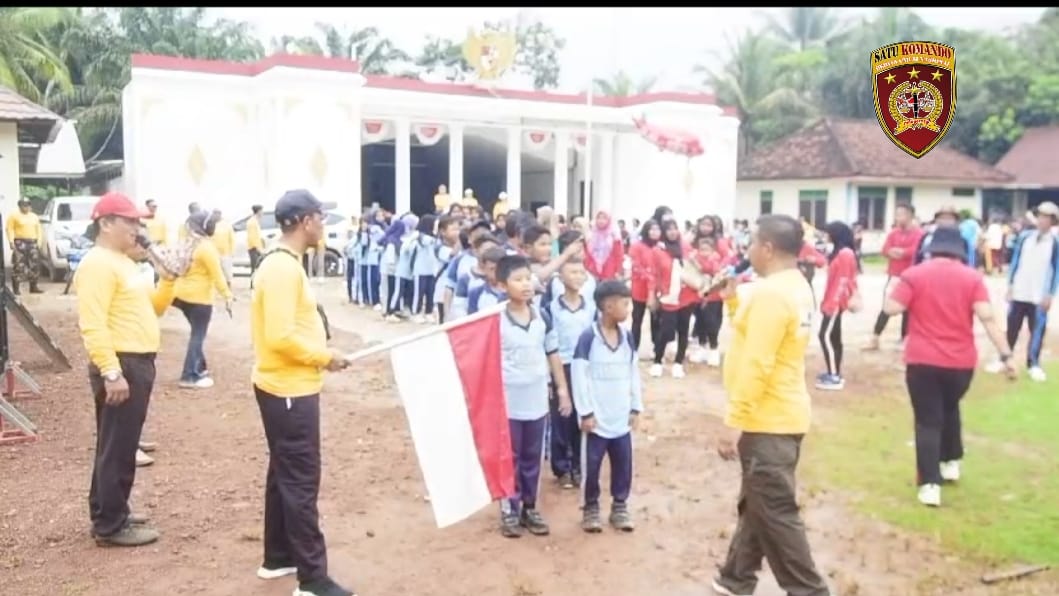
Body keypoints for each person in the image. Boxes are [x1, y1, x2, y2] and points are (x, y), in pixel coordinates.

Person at [714, 214, 829, 596]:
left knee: (775, 512)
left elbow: (758, 362)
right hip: (783, 414)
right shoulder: (794, 286)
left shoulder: (771, 294)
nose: (746, 252)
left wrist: (736, 419)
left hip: (768, 419)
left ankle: (809, 591)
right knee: (757, 503)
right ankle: (735, 578)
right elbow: (756, 337)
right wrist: (731, 303)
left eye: (750, 245)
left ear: (766, 248)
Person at [250, 189, 355, 596]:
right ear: (305, 220)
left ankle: (278, 557)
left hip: (286, 386)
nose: (324, 225)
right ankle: (312, 580)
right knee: (300, 481)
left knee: (283, 473)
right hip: (288, 389)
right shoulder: (281, 269)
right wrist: (323, 356)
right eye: (320, 217)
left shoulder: (286, 265)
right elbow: (279, 335)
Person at [882, 226, 1016, 507]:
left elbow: (891, 308)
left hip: (923, 360)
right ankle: (951, 461)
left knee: (928, 420)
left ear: (931, 248)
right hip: (960, 363)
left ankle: (930, 483)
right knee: (949, 407)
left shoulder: (915, 274)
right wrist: (1006, 356)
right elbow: (987, 317)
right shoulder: (972, 278)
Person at [75, 192, 177, 547]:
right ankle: (111, 525)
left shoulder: (123, 262)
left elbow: (154, 309)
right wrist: (111, 371)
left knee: (116, 443)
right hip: (123, 362)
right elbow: (92, 322)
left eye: (138, 221)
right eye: (129, 221)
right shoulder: (98, 264)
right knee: (119, 445)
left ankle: (108, 509)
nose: (137, 228)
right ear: (105, 224)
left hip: (136, 360)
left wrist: (168, 280)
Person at [495, 254, 571, 538]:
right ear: (503, 285)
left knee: (532, 456)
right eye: (517, 280)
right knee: (510, 457)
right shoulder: (495, 320)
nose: (525, 284)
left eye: (528, 278)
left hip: (537, 400)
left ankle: (529, 506)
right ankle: (509, 509)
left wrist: (562, 390)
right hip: (508, 402)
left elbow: (553, 354)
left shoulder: (542, 317)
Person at [571, 280, 641, 533]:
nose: (629, 308)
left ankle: (619, 505)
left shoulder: (628, 338)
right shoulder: (589, 338)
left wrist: (635, 406)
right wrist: (586, 412)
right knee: (592, 464)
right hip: (597, 419)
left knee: (623, 462)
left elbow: (633, 372)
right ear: (608, 306)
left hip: (620, 415)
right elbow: (579, 375)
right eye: (625, 303)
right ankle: (591, 507)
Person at [983, 201, 1059, 382]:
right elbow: (1016, 262)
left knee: (1036, 331)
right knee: (1012, 328)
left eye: (1046, 218)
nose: (1042, 221)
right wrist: (1010, 285)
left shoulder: (1055, 243)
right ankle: (1005, 360)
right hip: (1020, 291)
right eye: (1040, 216)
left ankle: (1034, 364)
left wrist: (1050, 294)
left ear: (1052, 221)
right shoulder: (1026, 237)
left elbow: (1056, 270)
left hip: (1038, 295)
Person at [547, 258, 597, 489]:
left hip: (584, 367)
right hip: (562, 365)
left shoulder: (591, 307)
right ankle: (562, 467)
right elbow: (549, 344)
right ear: (560, 277)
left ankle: (578, 464)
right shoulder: (551, 309)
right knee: (561, 416)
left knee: (582, 414)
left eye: (581, 272)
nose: (577, 277)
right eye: (572, 272)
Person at [171, 211, 233, 389]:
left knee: (196, 333)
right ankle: (189, 375)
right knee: (197, 336)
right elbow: (217, 275)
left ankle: (199, 366)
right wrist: (227, 296)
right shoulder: (206, 248)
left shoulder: (187, 243)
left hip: (180, 295)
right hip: (199, 299)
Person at [866, 204, 922, 350]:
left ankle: (905, 338)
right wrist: (895, 252)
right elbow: (885, 250)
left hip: (911, 277)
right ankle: (875, 338)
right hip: (894, 276)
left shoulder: (918, 234)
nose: (898, 218)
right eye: (897, 214)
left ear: (910, 216)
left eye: (901, 214)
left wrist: (901, 252)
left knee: (908, 309)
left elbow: (916, 251)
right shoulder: (893, 234)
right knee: (887, 306)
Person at [648, 219, 700, 379]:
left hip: (687, 295)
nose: (672, 232)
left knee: (683, 330)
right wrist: (652, 294)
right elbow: (653, 274)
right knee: (666, 330)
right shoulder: (657, 251)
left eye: (674, 228)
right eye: (668, 229)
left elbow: (697, 268)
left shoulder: (686, 248)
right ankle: (658, 361)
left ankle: (678, 363)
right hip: (668, 296)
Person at [816, 221, 859, 391]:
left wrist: (832, 304)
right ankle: (834, 370)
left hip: (835, 302)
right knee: (833, 337)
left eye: (829, 233)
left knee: (824, 336)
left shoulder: (845, 254)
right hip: (832, 300)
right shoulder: (840, 253)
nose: (826, 236)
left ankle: (834, 375)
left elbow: (842, 281)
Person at [628, 220, 661, 354]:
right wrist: (649, 277)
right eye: (651, 229)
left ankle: (657, 348)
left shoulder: (662, 247)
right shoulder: (637, 246)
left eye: (657, 229)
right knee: (637, 319)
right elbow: (636, 266)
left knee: (656, 321)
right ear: (646, 230)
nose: (654, 232)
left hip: (657, 290)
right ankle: (634, 348)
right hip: (640, 288)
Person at [6, 198, 44, 295]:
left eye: (27, 205)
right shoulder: (14, 216)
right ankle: (16, 289)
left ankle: (33, 286)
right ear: (19, 206)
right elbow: (9, 229)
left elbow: (39, 230)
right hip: (20, 242)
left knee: (34, 265)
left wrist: (39, 243)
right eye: (23, 205)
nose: (25, 207)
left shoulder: (34, 217)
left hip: (32, 242)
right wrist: (11, 242)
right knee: (19, 265)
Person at [584, 211, 624, 281]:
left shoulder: (614, 235)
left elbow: (618, 254)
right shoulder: (591, 234)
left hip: (609, 268)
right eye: (598, 218)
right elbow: (587, 253)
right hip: (592, 268)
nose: (601, 221)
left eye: (604, 218)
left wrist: (618, 270)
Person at [466, 246, 507, 315]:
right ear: (484, 269)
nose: (497, 273)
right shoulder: (476, 293)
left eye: (500, 268)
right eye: (492, 269)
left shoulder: (515, 290)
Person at [211, 208, 235, 288]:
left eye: (216, 214)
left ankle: (229, 287)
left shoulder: (227, 225)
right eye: (214, 214)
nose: (215, 216)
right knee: (215, 271)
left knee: (227, 272)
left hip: (226, 253)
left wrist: (232, 252)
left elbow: (232, 239)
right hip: (214, 253)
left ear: (220, 214)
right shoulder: (211, 224)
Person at [247, 204, 265, 279]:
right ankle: (253, 285)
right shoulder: (252, 222)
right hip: (254, 248)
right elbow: (252, 237)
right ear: (258, 211)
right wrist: (258, 249)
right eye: (261, 211)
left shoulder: (255, 221)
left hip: (257, 247)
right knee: (255, 268)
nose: (262, 213)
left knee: (257, 267)